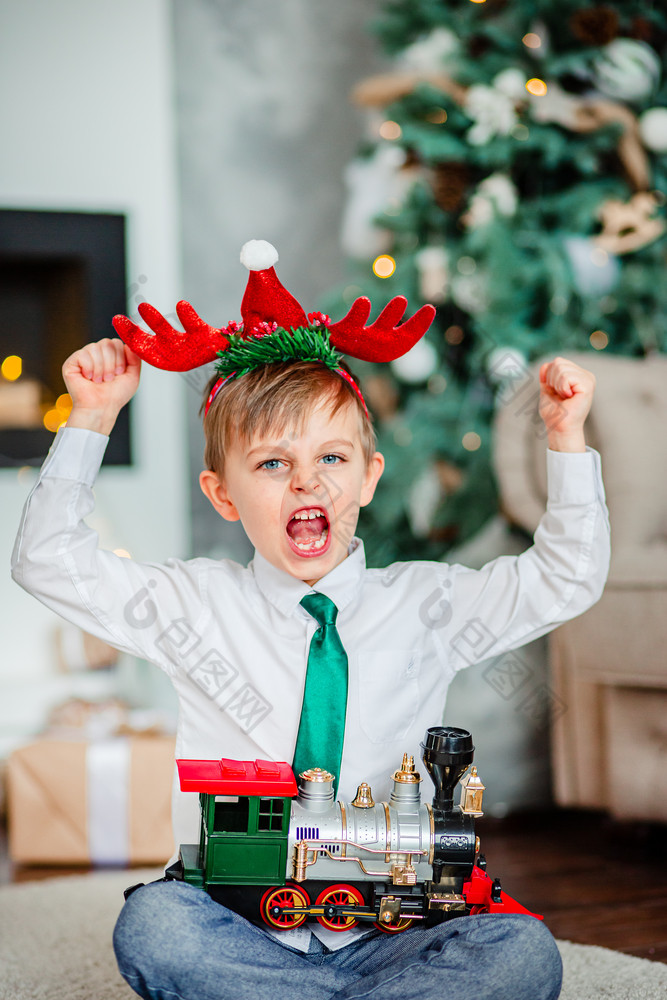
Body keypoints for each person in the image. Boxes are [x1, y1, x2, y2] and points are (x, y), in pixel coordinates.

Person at [11, 242, 610, 1000]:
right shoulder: (192, 604)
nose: (305, 481)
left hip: (392, 925)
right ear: (222, 494)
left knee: (521, 952)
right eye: (270, 464)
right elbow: (45, 561)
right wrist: (92, 419)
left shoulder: (427, 602)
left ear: (368, 476)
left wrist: (564, 440)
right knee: (153, 926)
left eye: (331, 458)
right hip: (239, 925)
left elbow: (566, 578)